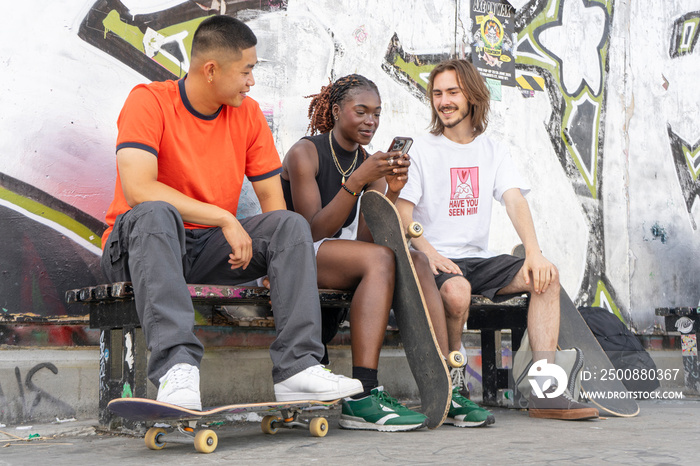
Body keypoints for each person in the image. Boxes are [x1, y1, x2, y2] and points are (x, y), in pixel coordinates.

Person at [100, 15, 362, 411]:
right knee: (155, 213)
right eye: (246, 70)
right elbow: (139, 188)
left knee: (290, 225)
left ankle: (298, 368)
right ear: (211, 70)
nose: (251, 81)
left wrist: (280, 264)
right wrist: (224, 218)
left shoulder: (248, 114)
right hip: (140, 247)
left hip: (206, 249)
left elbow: (274, 204)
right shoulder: (149, 100)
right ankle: (176, 369)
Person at [281, 74, 492, 430]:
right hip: (294, 256)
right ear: (335, 111)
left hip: (343, 257)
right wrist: (357, 181)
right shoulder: (306, 152)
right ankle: (363, 393)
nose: (370, 122)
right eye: (360, 112)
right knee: (382, 258)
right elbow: (310, 231)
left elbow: (366, 239)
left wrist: (390, 190)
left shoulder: (370, 163)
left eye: (376, 114)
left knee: (417, 259)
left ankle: (444, 384)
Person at [396, 59, 599, 421]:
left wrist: (534, 254)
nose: (443, 101)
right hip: (432, 260)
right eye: (438, 93)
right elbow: (402, 212)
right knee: (456, 292)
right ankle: (453, 384)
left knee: (546, 278)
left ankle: (544, 391)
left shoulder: (492, 149)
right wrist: (429, 251)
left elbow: (514, 200)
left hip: (478, 259)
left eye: (452, 92)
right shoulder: (422, 150)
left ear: (472, 96)